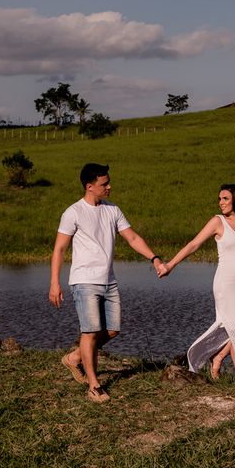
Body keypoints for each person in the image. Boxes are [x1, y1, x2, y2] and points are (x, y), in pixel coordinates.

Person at [49, 163, 166, 402]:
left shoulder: (113, 210)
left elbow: (132, 237)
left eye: (108, 182)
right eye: (104, 184)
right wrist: (54, 282)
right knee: (90, 333)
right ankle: (94, 386)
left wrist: (154, 258)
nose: (109, 186)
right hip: (83, 281)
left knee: (112, 329)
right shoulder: (73, 212)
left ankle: (73, 358)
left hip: (108, 281)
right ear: (90, 187)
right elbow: (60, 249)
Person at [160, 184, 235, 389]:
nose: (221, 203)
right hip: (227, 286)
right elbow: (193, 244)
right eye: (219, 199)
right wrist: (170, 265)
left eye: (225, 198)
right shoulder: (218, 221)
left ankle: (217, 357)